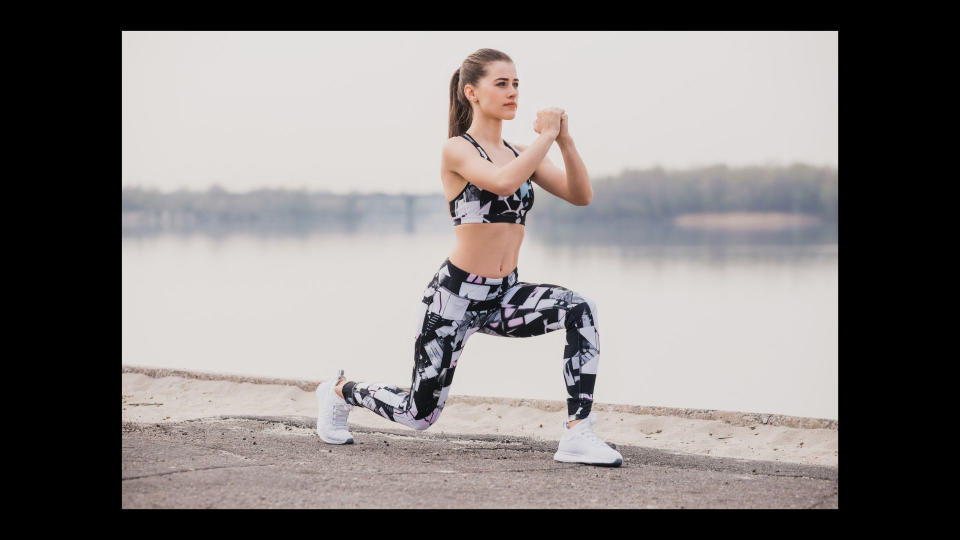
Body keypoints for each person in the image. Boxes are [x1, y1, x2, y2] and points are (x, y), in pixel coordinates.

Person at [315, 48, 622, 466]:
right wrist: (546, 137)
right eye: (502, 84)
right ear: (471, 92)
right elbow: (499, 184)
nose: (513, 92)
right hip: (454, 300)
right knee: (419, 414)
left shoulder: (519, 153)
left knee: (580, 309)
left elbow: (580, 195)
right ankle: (341, 391)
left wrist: (564, 140)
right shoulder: (457, 150)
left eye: (516, 84)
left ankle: (577, 433)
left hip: (504, 296)